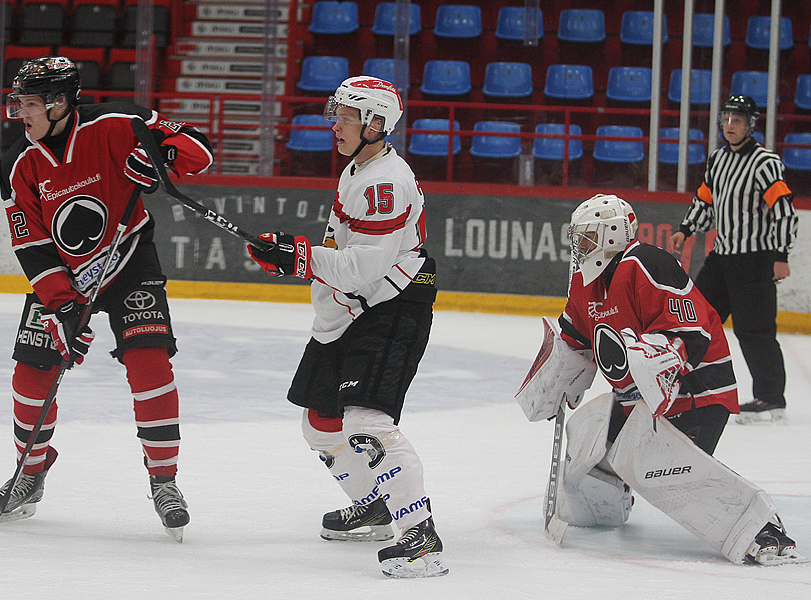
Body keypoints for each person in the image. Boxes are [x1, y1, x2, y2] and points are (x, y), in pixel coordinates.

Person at [0, 57, 214, 541]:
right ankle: (30, 473)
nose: (20, 113)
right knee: (31, 375)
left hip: (129, 262)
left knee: (150, 364)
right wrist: (62, 305)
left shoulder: (119, 122)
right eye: (19, 103)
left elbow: (200, 151)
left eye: (30, 103)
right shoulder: (15, 164)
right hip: (65, 278)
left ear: (60, 103)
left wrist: (161, 156)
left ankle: (164, 481)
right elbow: (31, 243)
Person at [516, 194, 805, 566]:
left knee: (657, 464)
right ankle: (604, 506)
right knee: (587, 440)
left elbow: (691, 334)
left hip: (696, 389)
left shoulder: (645, 263)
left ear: (613, 234)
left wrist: (657, 362)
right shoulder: (583, 281)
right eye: (579, 237)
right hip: (640, 397)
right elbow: (575, 339)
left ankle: (760, 529)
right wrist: (557, 378)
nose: (580, 245)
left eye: (588, 236)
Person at [247, 76, 446, 578]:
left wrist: (299, 258)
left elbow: (363, 269)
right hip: (358, 307)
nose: (335, 124)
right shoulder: (358, 170)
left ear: (376, 124)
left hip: (394, 304)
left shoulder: (385, 182)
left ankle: (421, 538)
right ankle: (375, 506)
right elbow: (342, 257)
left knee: (366, 422)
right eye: (336, 114)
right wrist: (299, 260)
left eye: (347, 117)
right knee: (320, 423)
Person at [668, 95, 798, 424]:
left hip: (755, 259)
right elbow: (705, 200)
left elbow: (784, 211)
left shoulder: (764, 162)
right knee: (696, 320)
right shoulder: (718, 159)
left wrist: (780, 254)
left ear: (750, 125)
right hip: (722, 257)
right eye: (726, 119)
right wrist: (686, 228)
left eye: (737, 120)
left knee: (754, 331)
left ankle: (771, 399)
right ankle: (689, 386)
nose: (729, 126)